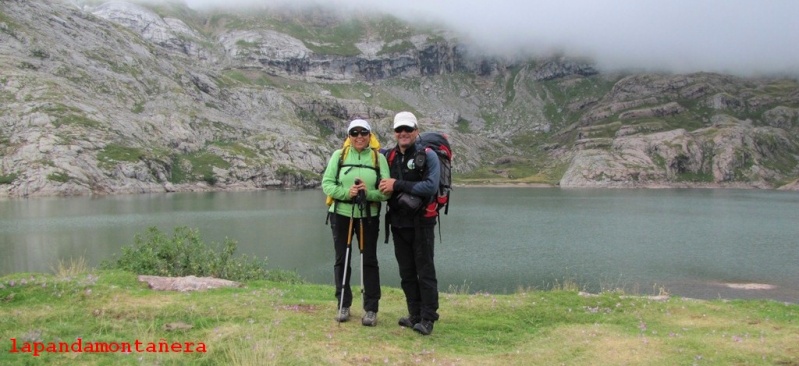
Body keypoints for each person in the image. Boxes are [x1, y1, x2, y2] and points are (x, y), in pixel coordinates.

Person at [378, 111, 441, 335]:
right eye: (399, 130)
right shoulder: (389, 156)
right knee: (406, 272)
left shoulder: (428, 155)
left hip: (422, 223)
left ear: (416, 131)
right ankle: (414, 314)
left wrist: (397, 185)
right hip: (398, 224)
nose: (403, 133)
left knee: (424, 270)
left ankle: (428, 318)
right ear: (395, 133)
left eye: (408, 129)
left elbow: (430, 187)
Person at [322, 118, 390, 326]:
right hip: (341, 214)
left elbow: (386, 192)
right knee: (342, 259)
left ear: (370, 136)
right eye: (354, 133)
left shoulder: (379, 159)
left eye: (363, 133)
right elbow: (327, 184)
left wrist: (368, 194)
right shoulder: (339, 155)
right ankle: (343, 303)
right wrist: (346, 193)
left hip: (368, 216)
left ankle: (370, 309)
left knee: (369, 260)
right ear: (349, 136)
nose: (359, 136)